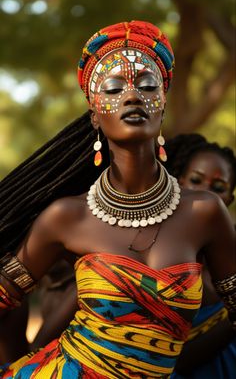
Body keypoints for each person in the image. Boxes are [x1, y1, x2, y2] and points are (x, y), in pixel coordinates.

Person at [0, 21, 235, 378]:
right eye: (113, 88)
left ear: (162, 108)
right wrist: (13, 354)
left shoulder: (203, 212)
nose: (132, 96)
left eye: (146, 85)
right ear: (95, 116)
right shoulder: (67, 217)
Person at [163, 133, 236, 378]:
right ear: (180, 183)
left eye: (218, 188)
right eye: (196, 180)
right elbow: (177, 360)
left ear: (230, 199)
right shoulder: (157, 251)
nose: (206, 193)